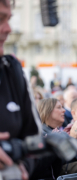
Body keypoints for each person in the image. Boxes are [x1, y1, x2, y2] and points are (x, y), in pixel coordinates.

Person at [0, 0, 41, 179]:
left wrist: (20, 166)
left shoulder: (12, 70)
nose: (9, 28)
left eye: (9, 19)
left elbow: (35, 140)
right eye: (0, 19)